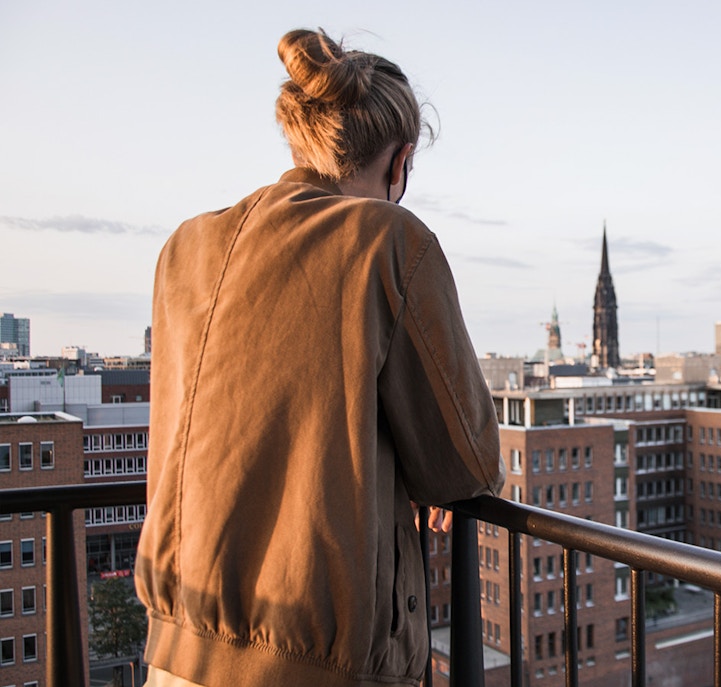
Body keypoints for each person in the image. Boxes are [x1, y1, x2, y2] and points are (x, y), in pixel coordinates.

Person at [135, 28, 505, 686]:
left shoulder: (184, 249)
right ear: (401, 164)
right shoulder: (388, 240)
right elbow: (465, 462)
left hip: (178, 649)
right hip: (313, 664)